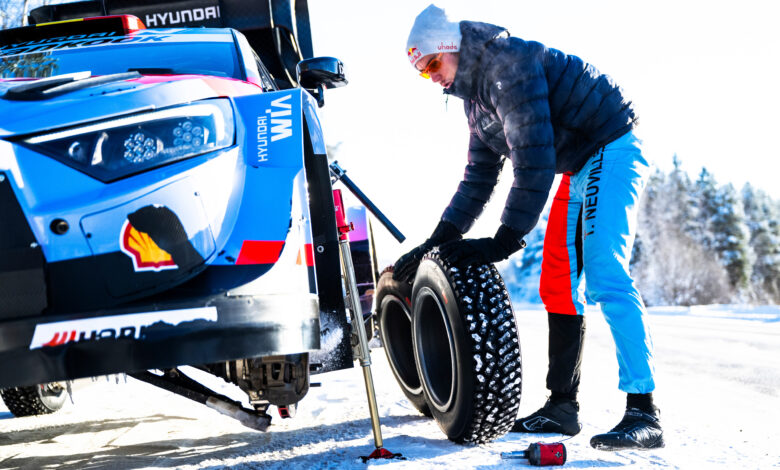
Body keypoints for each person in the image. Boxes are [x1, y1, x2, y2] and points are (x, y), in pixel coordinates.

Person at [394, 4, 663, 450]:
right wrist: (437, 240)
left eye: (433, 63)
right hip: (577, 166)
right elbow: (479, 176)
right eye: (422, 71)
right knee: (557, 282)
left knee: (605, 274)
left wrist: (504, 240)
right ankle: (562, 408)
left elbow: (533, 158)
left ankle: (644, 411)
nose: (431, 76)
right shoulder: (476, 100)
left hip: (611, 143)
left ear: (450, 47)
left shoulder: (507, 65)